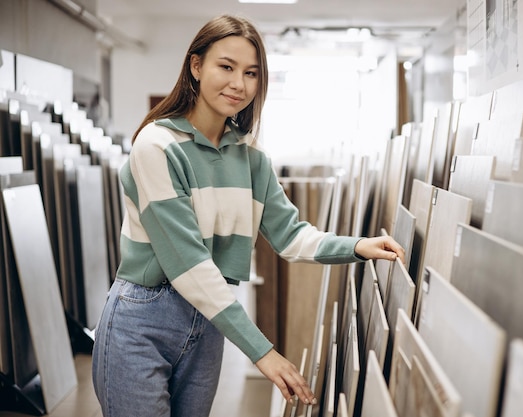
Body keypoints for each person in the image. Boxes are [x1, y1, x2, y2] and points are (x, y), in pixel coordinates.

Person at [91, 13, 405, 417]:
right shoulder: (157, 146)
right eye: (226, 67)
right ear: (196, 66)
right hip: (142, 322)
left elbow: (289, 235)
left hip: (207, 324)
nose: (239, 84)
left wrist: (358, 246)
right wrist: (263, 352)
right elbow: (187, 265)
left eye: (251, 73)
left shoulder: (252, 157)